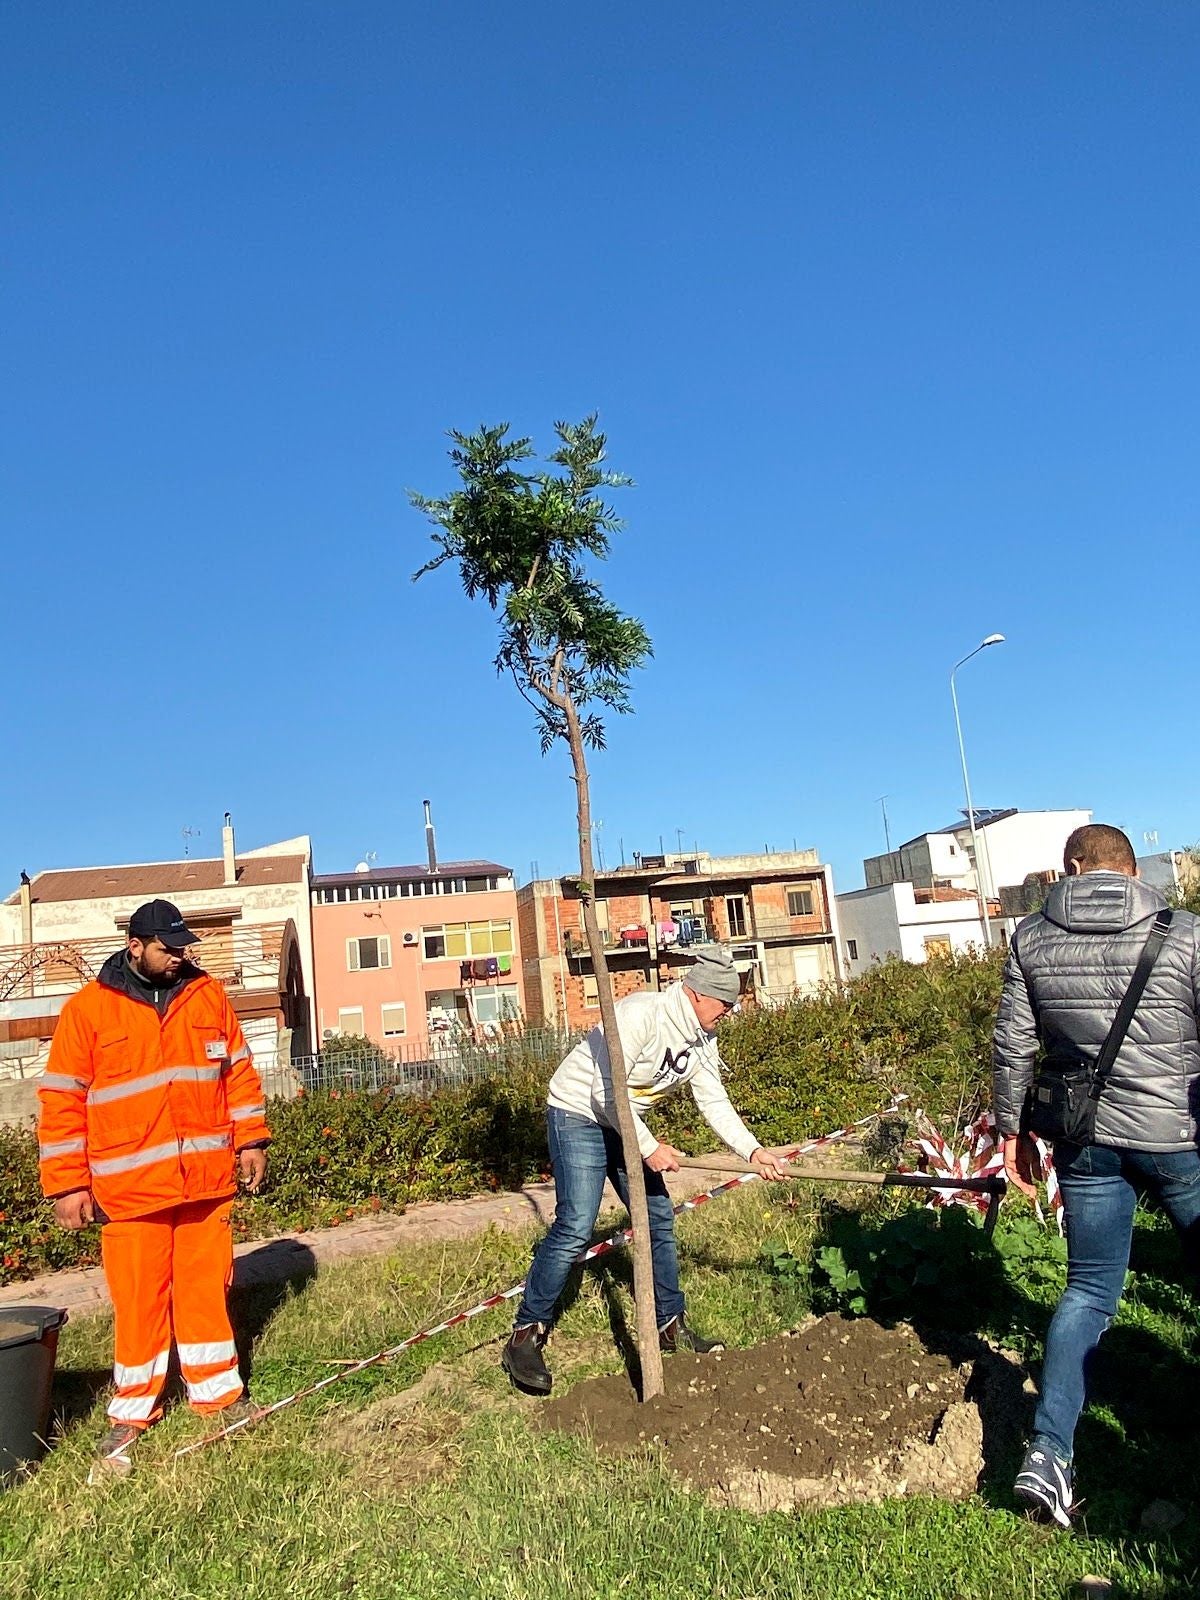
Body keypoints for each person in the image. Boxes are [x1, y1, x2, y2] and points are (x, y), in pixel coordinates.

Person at [992, 824, 1200, 1528]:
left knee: (1087, 1292)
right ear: (1131, 870)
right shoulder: (1185, 933)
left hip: (1085, 1142)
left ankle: (1049, 1456)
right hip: (1177, 1138)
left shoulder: (1030, 938)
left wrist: (1012, 1130)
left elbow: (1013, 1044)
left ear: (1071, 868)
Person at [37, 899, 271, 1477]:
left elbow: (238, 1074)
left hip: (205, 1186)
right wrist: (67, 1185)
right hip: (131, 1193)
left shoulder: (208, 996)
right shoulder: (88, 1011)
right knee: (140, 1301)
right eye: (169, 949)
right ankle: (133, 1411)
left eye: (184, 948)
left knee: (205, 1292)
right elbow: (61, 1102)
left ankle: (218, 1395)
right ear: (135, 946)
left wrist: (252, 1140)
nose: (179, 958)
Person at [501, 947, 793, 1393]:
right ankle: (526, 1334)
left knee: (658, 1218)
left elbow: (713, 1100)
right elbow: (604, 1092)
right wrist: (650, 1147)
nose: (729, 1013)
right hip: (578, 1112)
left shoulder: (703, 1038)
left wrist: (752, 1152)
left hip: (624, 1120)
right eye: (724, 1004)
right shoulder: (641, 1015)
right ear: (697, 994)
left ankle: (670, 1324)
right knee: (576, 1224)